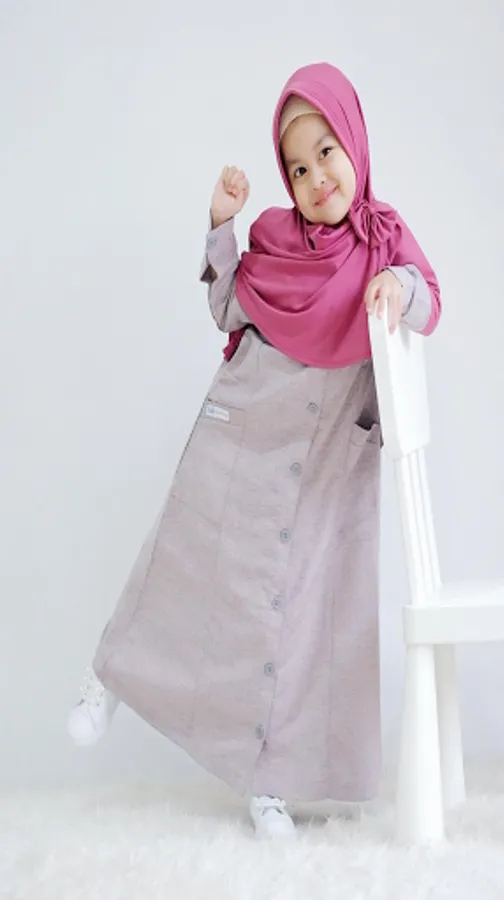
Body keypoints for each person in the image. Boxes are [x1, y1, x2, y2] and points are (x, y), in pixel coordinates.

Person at [67, 62, 441, 839]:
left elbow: (430, 299)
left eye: (327, 153)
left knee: (306, 624)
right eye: (297, 168)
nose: (316, 178)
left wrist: (398, 290)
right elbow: (227, 304)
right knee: (188, 569)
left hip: (325, 465)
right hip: (244, 435)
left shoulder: (384, 241)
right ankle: (111, 678)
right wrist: (221, 224)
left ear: (356, 145)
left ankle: (273, 783)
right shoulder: (274, 240)